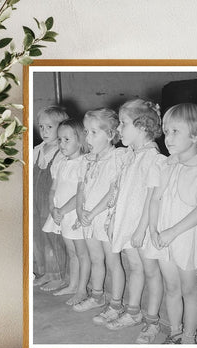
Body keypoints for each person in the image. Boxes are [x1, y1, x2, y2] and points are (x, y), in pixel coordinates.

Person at [146, 103, 197, 344]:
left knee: (189, 290)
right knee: (171, 288)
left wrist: (172, 232)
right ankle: (175, 331)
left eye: (175, 131)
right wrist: (153, 229)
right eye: (166, 131)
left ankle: (189, 337)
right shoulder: (166, 164)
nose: (168, 137)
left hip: (186, 238)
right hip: (162, 237)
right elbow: (155, 199)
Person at [100, 99, 165, 345]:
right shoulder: (130, 155)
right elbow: (120, 191)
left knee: (150, 272)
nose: (119, 130)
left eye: (123, 124)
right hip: (127, 223)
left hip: (143, 227)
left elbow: (151, 197)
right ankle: (133, 311)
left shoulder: (152, 157)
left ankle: (152, 322)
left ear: (142, 127)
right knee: (135, 268)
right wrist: (113, 219)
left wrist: (141, 229)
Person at [72, 108, 126, 312]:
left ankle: (116, 304)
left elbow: (114, 191)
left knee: (113, 261)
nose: (88, 137)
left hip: (104, 217)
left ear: (111, 134)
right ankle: (97, 296)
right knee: (95, 258)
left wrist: (93, 213)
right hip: (88, 218)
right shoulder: (86, 160)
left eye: (94, 132)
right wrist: (80, 211)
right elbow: (81, 188)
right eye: (86, 132)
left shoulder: (117, 158)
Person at [42, 119, 91, 305]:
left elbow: (81, 193)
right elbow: (53, 188)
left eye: (66, 140)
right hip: (61, 214)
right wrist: (52, 208)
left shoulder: (84, 163)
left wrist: (62, 210)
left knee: (81, 253)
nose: (62, 144)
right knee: (71, 252)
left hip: (73, 213)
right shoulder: (62, 162)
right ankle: (72, 284)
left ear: (80, 141)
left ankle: (81, 290)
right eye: (60, 140)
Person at [33, 106, 68, 291]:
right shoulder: (38, 149)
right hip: (35, 201)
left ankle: (58, 274)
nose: (44, 131)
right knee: (38, 235)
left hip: (51, 200)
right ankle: (44, 271)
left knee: (53, 237)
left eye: (49, 127)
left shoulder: (62, 151)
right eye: (41, 127)